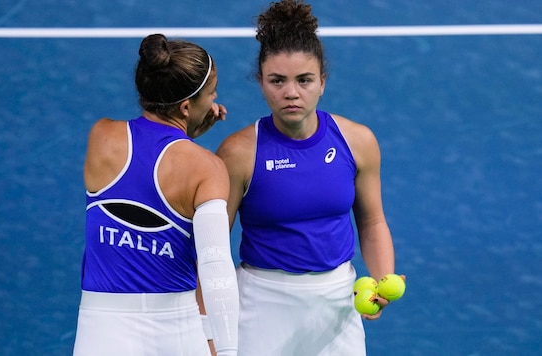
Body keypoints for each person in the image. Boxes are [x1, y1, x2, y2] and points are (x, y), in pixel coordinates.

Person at [215, 1, 400, 355]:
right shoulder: (238, 153)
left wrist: (381, 279)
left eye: (304, 80)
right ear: (261, 83)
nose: (291, 92)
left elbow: (372, 220)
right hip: (261, 305)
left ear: (322, 83)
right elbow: (212, 245)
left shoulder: (357, 141)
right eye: (277, 81)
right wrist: (210, 317)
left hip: (338, 304)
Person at [73, 33, 239, 356]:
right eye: (212, 93)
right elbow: (216, 268)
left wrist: (184, 132)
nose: (215, 98)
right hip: (177, 332)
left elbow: (153, 151)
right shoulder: (207, 168)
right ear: (187, 106)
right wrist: (228, 350)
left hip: (101, 333)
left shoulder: (102, 137)